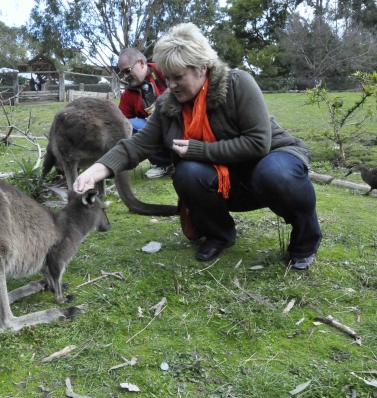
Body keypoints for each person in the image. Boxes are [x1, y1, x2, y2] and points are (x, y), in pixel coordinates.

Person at [74, 23, 322, 270]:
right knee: (188, 173)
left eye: (178, 77)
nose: (171, 85)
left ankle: (305, 241)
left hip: (270, 159)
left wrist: (197, 150)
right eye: (167, 77)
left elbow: (258, 142)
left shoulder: (237, 84)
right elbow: (136, 146)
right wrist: (95, 171)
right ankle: (220, 234)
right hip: (229, 178)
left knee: (274, 172)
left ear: (203, 68)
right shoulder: (167, 106)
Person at [117, 48, 174, 178]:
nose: (126, 76)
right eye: (123, 73)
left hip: (180, 124)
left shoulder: (164, 71)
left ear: (142, 63)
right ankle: (165, 163)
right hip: (157, 131)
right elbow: (121, 122)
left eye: (127, 70)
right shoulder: (128, 93)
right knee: (127, 125)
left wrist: (160, 115)